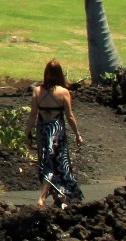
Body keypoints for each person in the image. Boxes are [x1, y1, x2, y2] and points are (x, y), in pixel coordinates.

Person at [27, 60, 85, 208]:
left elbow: (33, 115)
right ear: (60, 74)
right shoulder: (63, 92)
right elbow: (69, 116)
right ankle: (43, 197)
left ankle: (54, 196)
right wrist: (77, 134)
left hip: (42, 129)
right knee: (57, 162)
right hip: (57, 130)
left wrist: (26, 132)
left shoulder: (37, 92)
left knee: (46, 160)